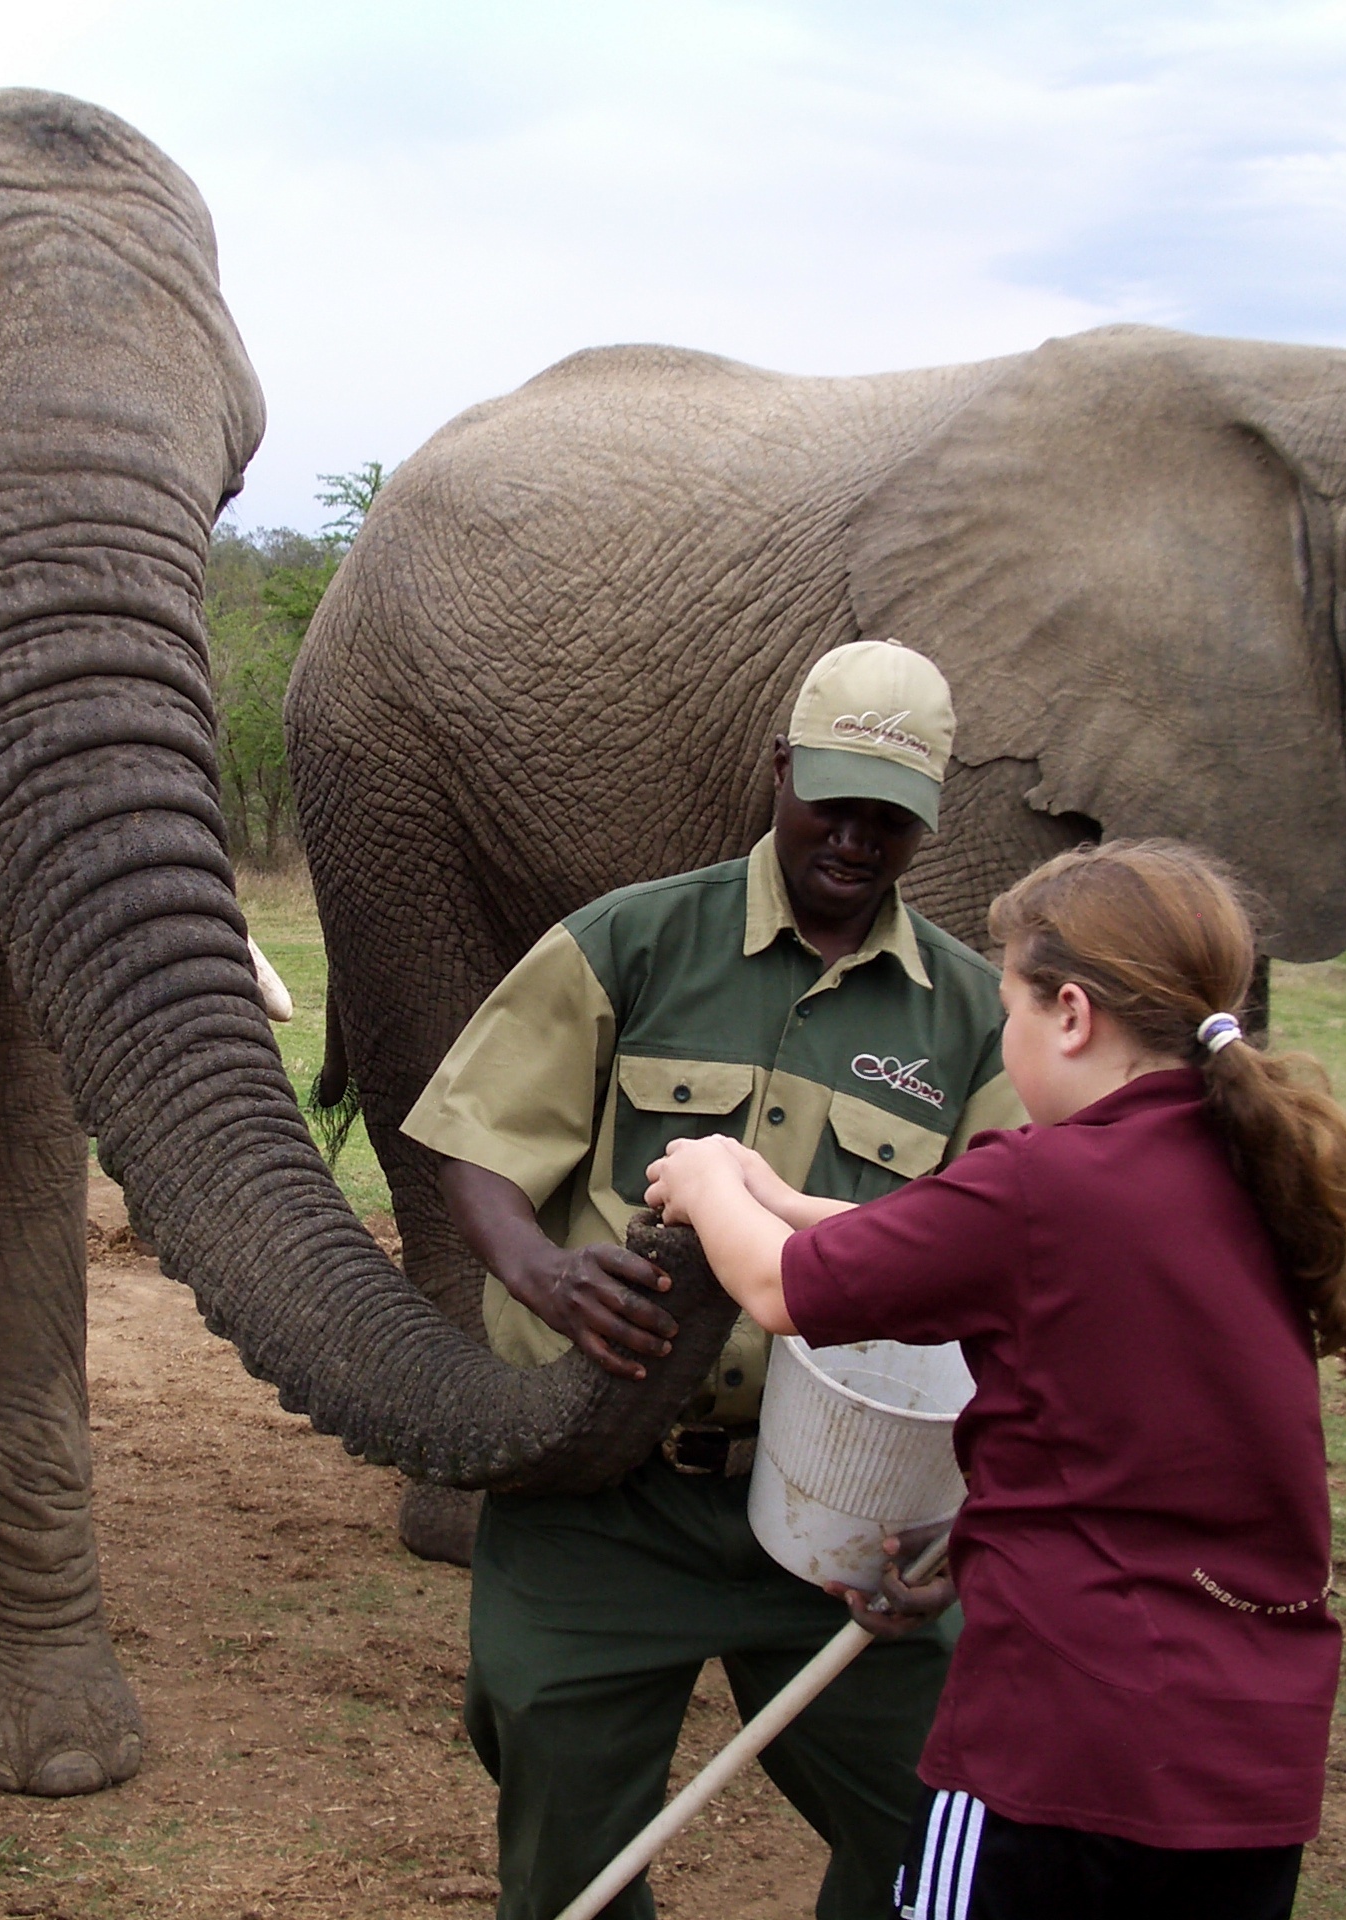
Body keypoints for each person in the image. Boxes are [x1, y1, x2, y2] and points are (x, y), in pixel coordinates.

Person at [645, 838, 1346, 1920]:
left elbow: (775, 1289)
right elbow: (961, 1252)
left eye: (1010, 1010)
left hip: (1062, 1746)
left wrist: (711, 1176)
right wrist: (785, 1197)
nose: (1005, 1037)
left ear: (1072, 1015)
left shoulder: (1047, 1183)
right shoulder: (1253, 1173)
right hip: (1248, 1771)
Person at [402, 639, 1027, 1920]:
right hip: (604, 1484)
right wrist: (542, 1272)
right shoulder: (632, 940)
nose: (853, 838)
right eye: (833, 801)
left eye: (889, 817)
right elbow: (476, 1143)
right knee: (563, 1834)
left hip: (850, 1510)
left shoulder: (972, 1021)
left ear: (928, 820)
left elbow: (1013, 1277)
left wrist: (963, 1520)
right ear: (780, 768)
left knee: (934, 1834)